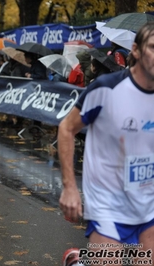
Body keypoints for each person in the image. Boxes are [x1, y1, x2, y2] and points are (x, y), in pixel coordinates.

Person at [58, 21, 154, 266]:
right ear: (135, 50)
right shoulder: (107, 88)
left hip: (148, 205)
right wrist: (70, 188)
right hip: (108, 204)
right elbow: (67, 129)